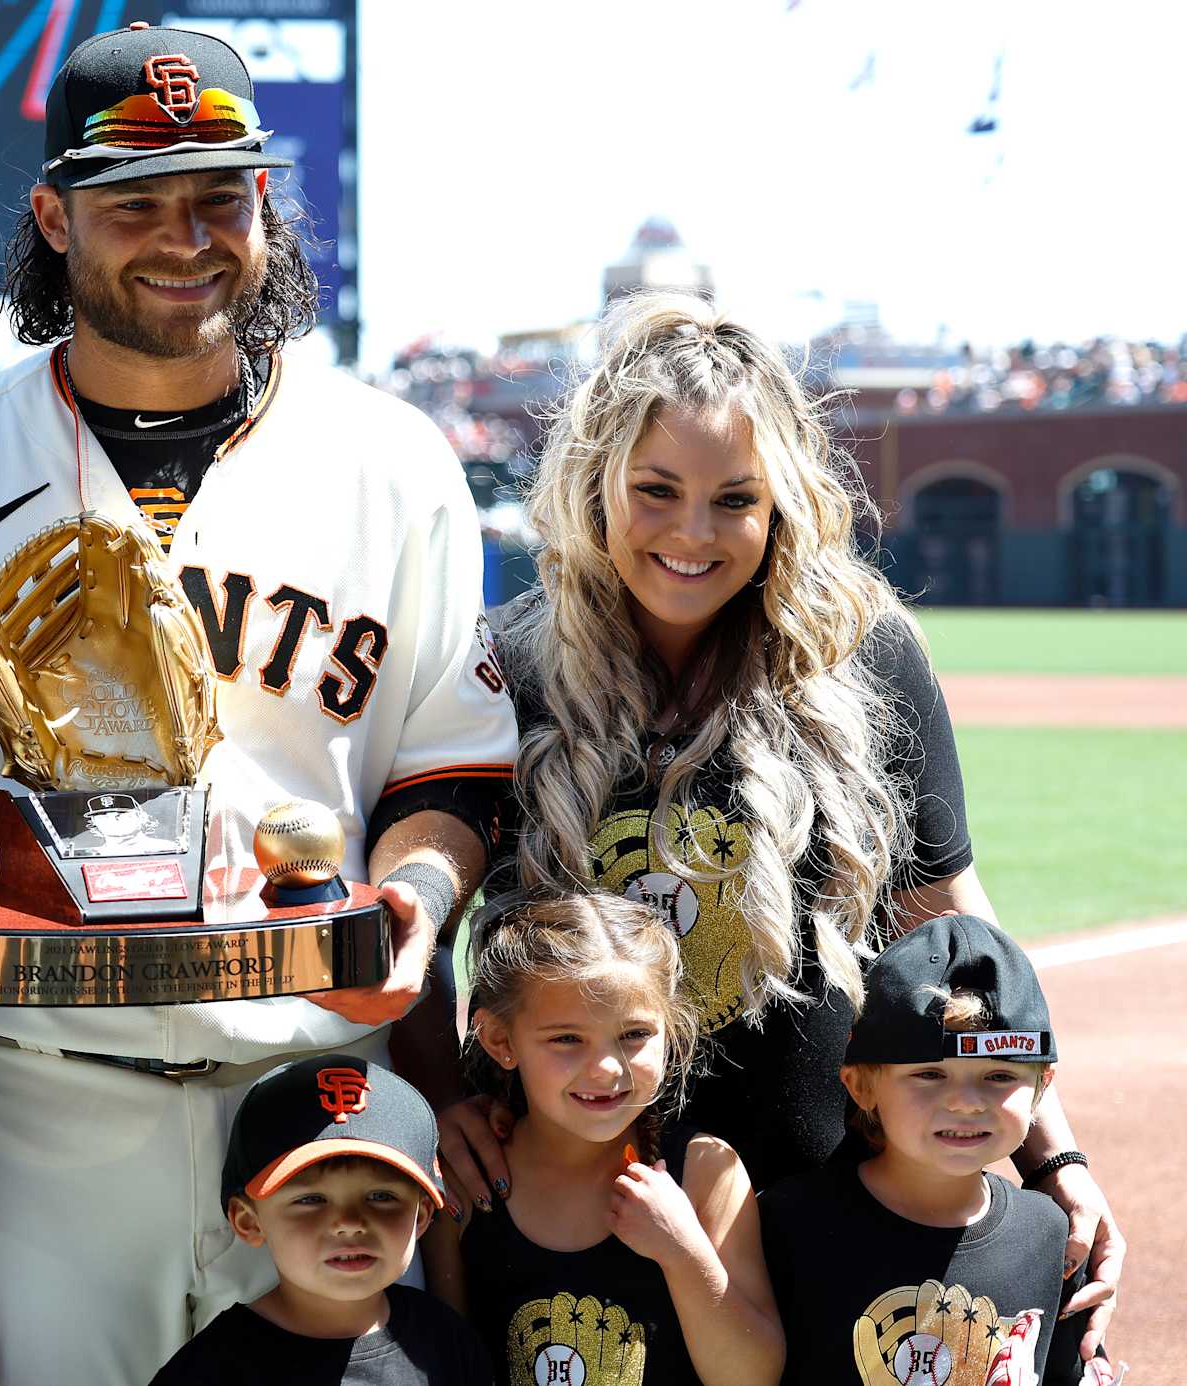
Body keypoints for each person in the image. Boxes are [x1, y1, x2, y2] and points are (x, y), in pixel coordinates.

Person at [0, 22, 517, 1384]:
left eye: (219, 194)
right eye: (136, 202)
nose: (186, 236)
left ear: (265, 208)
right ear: (56, 215)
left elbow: (449, 771)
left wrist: (413, 906)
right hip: (43, 1103)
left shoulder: (393, 461)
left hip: (321, 1096)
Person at [438, 292, 1122, 1363]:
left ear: (784, 503)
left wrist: (1056, 1158)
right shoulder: (505, 664)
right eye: (656, 491)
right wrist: (445, 1095)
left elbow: (945, 922)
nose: (692, 534)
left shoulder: (866, 658)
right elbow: (429, 910)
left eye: (735, 500)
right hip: (565, 1208)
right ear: (594, 484)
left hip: (812, 1191)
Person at [422, 892, 781, 1386]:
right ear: (501, 1041)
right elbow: (444, 1367)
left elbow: (752, 1376)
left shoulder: (704, 1172)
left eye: (634, 1034)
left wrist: (682, 1253)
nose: (608, 1068)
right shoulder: (464, 1179)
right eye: (567, 1039)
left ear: (669, 1034)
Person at [763, 914, 1118, 1385]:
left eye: (999, 1076)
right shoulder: (788, 1223)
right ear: (861, 1086)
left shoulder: (1053, 1233)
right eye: (929, 1074)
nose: (966, 1103)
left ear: (1041, 1086)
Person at [149, 1054, 492, 1385]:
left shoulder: (445, 1341)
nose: (349, 1222)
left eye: (381, 1197)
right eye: (311, 1200)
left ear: (422, 1216)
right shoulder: (211, 1369)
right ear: (249, 1221)